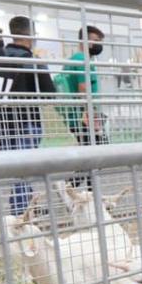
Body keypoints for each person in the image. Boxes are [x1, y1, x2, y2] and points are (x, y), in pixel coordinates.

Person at [0, 16, 56, 215]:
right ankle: (21, 212)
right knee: (24, 169)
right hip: (26, 121)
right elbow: (49, 92)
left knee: (17, 169)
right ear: (29, 35)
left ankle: (27, 205)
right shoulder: (31, 60)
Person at [54, 25, 106, 182]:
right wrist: (89, 113)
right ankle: (68, 189)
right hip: (82, 115)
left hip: (81, 114)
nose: (98, 44)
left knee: (92, 157)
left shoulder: (77, 59)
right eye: (95, 40)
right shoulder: (81, 59)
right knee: (97, 156)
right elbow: (83, 88)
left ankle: (87, 195)